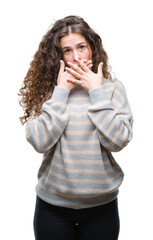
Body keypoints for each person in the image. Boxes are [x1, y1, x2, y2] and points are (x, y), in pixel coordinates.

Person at [18, 15, 133, 240]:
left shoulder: (112, 89)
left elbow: (119, 141)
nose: (76, 57)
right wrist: (60, 93)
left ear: (92, 49)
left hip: (102, 208)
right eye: (67, 50)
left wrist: (96, 92)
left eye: (81, 47)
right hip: (52, 209)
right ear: (57, 56)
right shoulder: (48, 92)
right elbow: (39, 142)